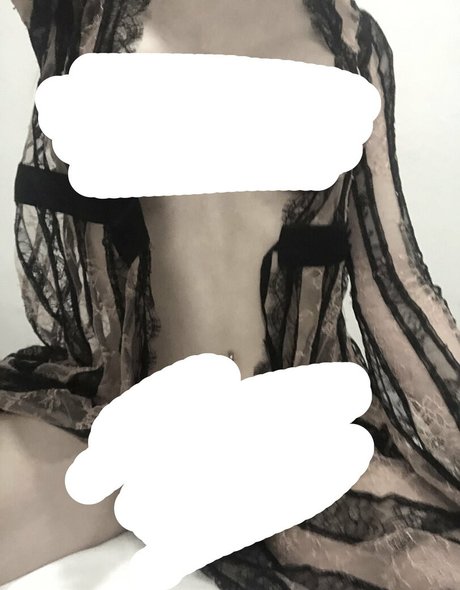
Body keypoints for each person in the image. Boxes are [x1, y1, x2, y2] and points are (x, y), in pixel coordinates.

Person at [1, 0, 459, 588]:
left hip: (291, 423)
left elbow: (397, 288)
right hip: (110, 413)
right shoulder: (84, 12)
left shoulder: (352, 42)